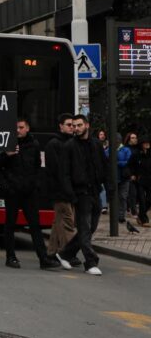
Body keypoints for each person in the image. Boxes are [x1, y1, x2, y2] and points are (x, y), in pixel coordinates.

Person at [0, 119, 60, 270]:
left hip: (29, 192)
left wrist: (36, 185)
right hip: (12, 191)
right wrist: (6, 155)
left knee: (35, 226)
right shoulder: (7, 143)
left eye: (21, 127)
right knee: (10, 225)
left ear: (27, 128)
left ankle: (43, 259)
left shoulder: (34, 144)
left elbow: (37, 167)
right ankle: (11, 257)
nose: (18, 130)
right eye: (15, 128)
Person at [57, 114, 104, 275]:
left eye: (79, 125)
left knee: (91, 227)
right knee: (85, 227)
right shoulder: (69, 146)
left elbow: (103, 165)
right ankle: (91, 262)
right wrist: (71, 194)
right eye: (74, 126)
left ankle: (65, 253)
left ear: (87, 125)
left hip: (95, 191)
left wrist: (108, 187)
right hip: (80, 193)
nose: (75, 128)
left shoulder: (96, 144)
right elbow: (64, 173)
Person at [45, 114, 77, 260]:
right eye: (69, 124)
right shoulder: (54, 144)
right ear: (61, 126)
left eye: (73, 125)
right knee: (68, 221)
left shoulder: (73, 143)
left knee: (59, 221)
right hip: (60, 190)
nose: (72, 127)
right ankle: (69, 253)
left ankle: (52, 252)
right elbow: (56, 170)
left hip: (70, 190)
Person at [117, 132, 139, 223]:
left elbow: (130, 162)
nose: (135, 139)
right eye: (133, 137)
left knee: (126, 196)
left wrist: (117, 162)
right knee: (120, 196)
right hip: (120, 176)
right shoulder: (123, 149)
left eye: (135, 137)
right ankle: (129, 212)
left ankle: (124, 213)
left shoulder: (130, 149)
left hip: (129, 175)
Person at [134, 138, 151, 226]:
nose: (147, 144)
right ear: (142, 144)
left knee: (149, 199)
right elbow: (132, 164)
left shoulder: (149, 153)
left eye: (148, 142)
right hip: (140, 180)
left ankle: (141, 215)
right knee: (142, 200)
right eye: (146, 143)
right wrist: (133, 175)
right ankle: (144, 220)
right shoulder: (137, 153)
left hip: (149, 179)